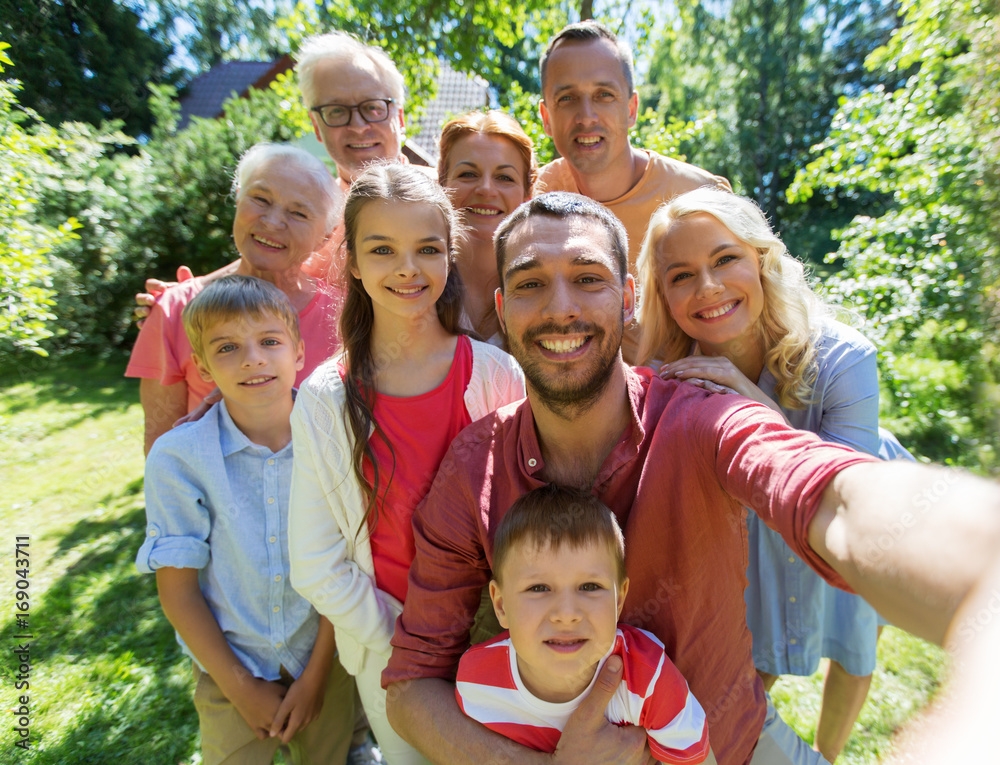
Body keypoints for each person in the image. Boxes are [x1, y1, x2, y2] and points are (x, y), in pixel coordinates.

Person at [381, 191, 1000, 765]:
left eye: (587, 279)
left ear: (626, 298)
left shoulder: (698, 414)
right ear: (502, 308)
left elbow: (829, 494)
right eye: (531, 284)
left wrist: (983, 565)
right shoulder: (476, 466)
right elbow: (411, 686)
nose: (560, 307)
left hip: (737, 745)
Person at [635, 186, 913, 761]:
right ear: (663, 294)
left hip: (852, 509)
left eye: (725, 259)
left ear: (761, 262)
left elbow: (844, 489)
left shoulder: (842, 357)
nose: (708, 287)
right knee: (754, 659)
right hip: (747, 523)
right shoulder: (667, 374)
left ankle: (830, 753)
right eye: (681, 275)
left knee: (855, 640)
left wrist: (748, 403)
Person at [286, 164, 525, 764]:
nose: (406, 268)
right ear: (355, 264)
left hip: (498, 637)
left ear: (449, 255)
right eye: (382, 249)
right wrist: (402, 639)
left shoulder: (495, 374)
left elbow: (528, 514)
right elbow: (315, 562)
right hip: (390, 648)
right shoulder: (325, 398)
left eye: (426, 249)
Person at [135, 275, 354, 765]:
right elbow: (178, 590)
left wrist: (317, 675)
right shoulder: (179, 457)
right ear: (204, 368)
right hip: (227, 666)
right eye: (228, 347)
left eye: (269, 342)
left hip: (325, 658)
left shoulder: (341, 436)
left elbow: (351, 563)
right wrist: (240, 688)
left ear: (299, 353)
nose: (253, 358)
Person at [456, 484, 714, 764]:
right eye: (539, 588)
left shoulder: (648, 679)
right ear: (501, 605)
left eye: (590, 586)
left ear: (619, 601)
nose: (567, 614)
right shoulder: (476, 683)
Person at [125, 143, 342, 455]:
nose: (272, 222)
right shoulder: (174, 309)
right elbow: (161, 452)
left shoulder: (345, 316)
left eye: (298, 213)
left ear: (326, 234)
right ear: (238, 197)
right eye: (260, 199)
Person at [534, 20, 730, 362]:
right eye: (566, 99)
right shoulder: (538, 195)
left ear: (631, 108)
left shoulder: (699, 196)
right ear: (546, 117)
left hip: (684, 395)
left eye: (603, 95)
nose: (586, 116)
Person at [438, 110, 538, 342]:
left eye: (504, 177)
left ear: (527, 194)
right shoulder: (415, 280)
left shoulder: (546, 288)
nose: (485, 189)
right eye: (468, 174)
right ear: (442, 183)